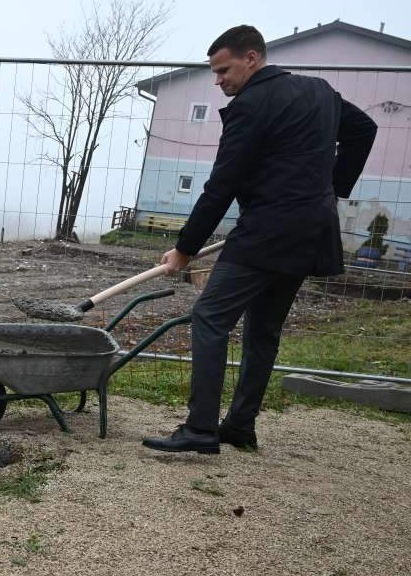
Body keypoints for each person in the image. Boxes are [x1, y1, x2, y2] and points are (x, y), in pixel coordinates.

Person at [142, 25, 377, 454]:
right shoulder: (320, 91)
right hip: (311, 231)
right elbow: (365, 130)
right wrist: (332, 188)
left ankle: (199, 429)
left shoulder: (251, 105)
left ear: (252, 57)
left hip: (268, 231)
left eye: (223, 70)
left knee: (210, 318)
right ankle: (240, 426)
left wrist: (184, 250)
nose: (218, 81)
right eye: (214, 73)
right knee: (263, 331)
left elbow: (222, 185)